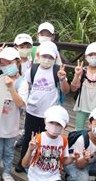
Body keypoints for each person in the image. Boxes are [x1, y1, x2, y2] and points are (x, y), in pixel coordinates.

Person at [16, 41, 70, 173]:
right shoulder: (33, 69)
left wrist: (62, 79)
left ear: (55, 58)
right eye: (44, 56)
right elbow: (27, 85)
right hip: (32, 110)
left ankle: (41, 162)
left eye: (51, 57)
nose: (47, 59)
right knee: (29, 136)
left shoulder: (57, 71)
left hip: (50, 114)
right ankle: (23, 162)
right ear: (39, 55)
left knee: (47, 137)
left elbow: (66, 91)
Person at [0, 48, 28, 181]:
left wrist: (11, 88)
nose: (6, 66)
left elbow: (21, 104)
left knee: (9, 151)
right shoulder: (0, 78)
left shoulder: (22, 83)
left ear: (17, 62)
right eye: (3, 64)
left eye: (9, 63)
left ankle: (6, 173)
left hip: (12, 125)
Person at [21, 105, 76, 181]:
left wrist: (72, 157)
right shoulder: (38, 139)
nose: (54, 126)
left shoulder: (63, 140)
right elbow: (24, 164)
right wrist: (30, 150)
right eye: (51, 122)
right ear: (45, 121)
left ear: (65, 126)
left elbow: (63, 161)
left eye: (58, 124)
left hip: (54, 177)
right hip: (36, 178)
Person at [70, 42, 96, 131]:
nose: (94, 57)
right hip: (82, 105)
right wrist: (76, 75)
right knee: (78, 130)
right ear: (86, 56)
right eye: (91, 54)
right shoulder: (82, 71)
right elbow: (73, 88)